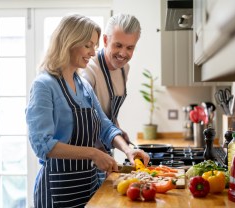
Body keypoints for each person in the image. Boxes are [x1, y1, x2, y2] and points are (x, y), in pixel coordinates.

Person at [25, 14, 149, 208]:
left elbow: (105, 126)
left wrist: (128, 149)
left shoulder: (83, 85)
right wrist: (92, 153)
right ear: (69, 42)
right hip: (58, 189)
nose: (93, 52)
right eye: (88, 45)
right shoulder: (44, 85)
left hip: (87, 186)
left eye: (94, 45)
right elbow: (42, 145)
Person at [79, 13, 141, 184]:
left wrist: (118, 130)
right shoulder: (89, 71)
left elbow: (108, 111)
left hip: (106, 148)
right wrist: (100, 150)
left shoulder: (124, 69)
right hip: (86, 154)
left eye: (130, 48)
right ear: (105, 40)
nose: (123, 53)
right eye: (118, 45)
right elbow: (87, 118)